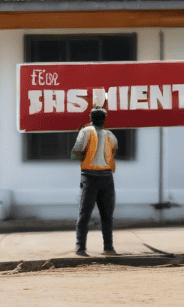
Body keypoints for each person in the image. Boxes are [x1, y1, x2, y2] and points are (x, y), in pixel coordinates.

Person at [71, 107, 118, 257]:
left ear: (91, 118)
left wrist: (83, 159)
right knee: (107, 215)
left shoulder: (85, 131)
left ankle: (80, 248)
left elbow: (76, 151)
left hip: (89, 177)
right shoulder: (110, 134)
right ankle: (108, 248)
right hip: (107, 177)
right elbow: (114, 150)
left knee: (84, 213)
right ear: (104, 120)